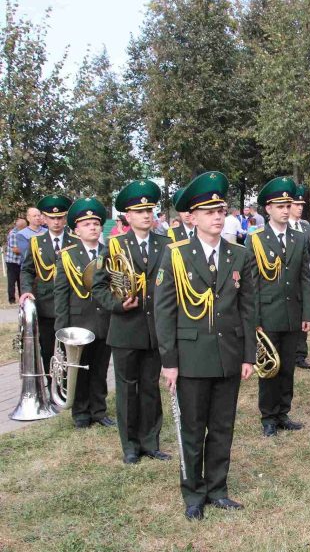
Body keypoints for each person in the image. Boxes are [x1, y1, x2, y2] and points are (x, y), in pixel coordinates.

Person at [155, 171, 256, 521]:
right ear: (192, 217)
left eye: (221, 210)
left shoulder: (239, 254)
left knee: (223, 425)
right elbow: (165, 313)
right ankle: (193, 494)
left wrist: (248, 355)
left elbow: (248, 308)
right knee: (193, 427)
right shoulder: (176, 255)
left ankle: (218, 489)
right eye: (209, 211)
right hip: (191, 356)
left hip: (229, 356)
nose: (217, 216)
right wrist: (169, 361)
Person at [93, 180, 171, 464]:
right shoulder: (114, 245)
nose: (146, 215)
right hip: (126, 329)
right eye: (139, 211)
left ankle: (151, 442)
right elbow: (98, 286)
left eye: (149, 210)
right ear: (127, 216)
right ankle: (130, 446)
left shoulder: (166, 244)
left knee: (150, 387)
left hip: (154, 331)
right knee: (127, 389)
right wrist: (117, 305)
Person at [247, 176, 310, 438]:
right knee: (269, 368)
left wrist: (307, 312)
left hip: (293, 314)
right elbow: (251, 284)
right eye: (280, 206)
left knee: (287, 367)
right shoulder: (256, 240)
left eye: (288, 205)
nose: (285, 210)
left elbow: (304, 277)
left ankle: (283, 412)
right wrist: (255, 318)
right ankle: (268, 417)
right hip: (268, 314)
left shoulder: (300, 237)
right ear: (268, 209)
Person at [54, 198, 114, 429]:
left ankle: (99, 410)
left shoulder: (109, 252)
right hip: (79, 322)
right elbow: (62, 294)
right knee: (79, 369)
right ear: (76, 230)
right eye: (87, 224)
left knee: (100, 368)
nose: (93, 227)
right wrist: (61, 329)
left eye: (96, 223)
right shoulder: (67, 255)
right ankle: (80, 412)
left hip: (104, 320)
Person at [20, 195, 76, 389]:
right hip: (46, 304)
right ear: (44, 218)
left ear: (65, 218)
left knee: (71, 347)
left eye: (60, 217)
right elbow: (27, 269)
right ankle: (53, 384)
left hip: (71, 303)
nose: (56, 221)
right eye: (52, 218)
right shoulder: (36, 242)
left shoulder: (75, 240)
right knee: (48, 347)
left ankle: (70, 386)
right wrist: (26, 291)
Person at [288, 184, 310, 370]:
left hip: (304, 278)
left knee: (305, 313)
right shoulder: (284, 226)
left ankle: (300, 355)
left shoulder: (306, 226)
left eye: (302, 205)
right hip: (289, 278)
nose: (300, 207)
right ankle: (288, 352)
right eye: (296, 204)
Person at [5, 217, 27, 303]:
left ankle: (22, 298)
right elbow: (15, 250)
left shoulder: (22, 233)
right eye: (25, 226)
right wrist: (28, 249)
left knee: (21, 281)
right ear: (21, 227)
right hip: (12, 262)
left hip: (20, 262)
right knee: (11, 281)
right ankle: (12, 300)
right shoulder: (14, 234)